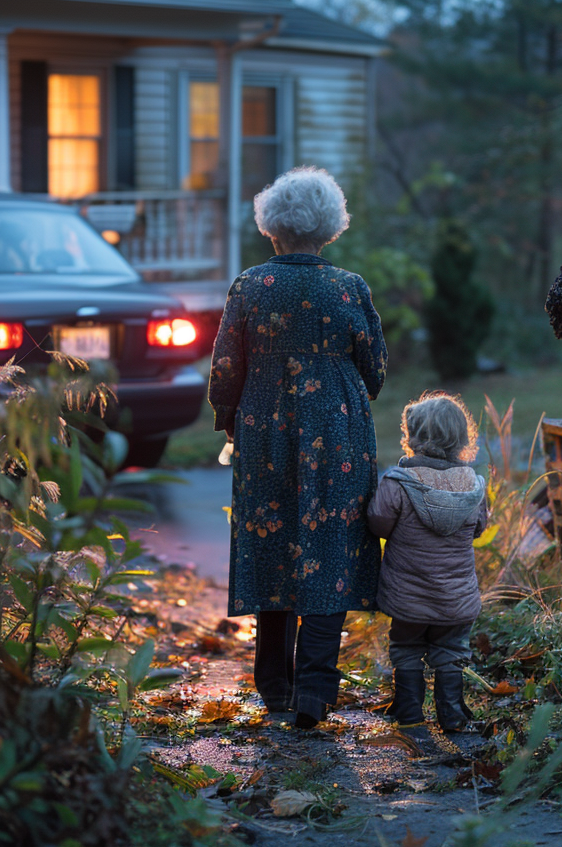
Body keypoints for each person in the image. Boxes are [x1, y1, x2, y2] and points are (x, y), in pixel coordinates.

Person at [208, 166, 387, 729]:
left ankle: (275, 686)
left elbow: (225, 370)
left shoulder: (249, 286)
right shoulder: (350, 287)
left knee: (271, 543)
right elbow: (375, 369)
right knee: (331, 546)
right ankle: (316, 690)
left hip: (264, 433)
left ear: (272, 227)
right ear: (330, 227)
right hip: (338, 432)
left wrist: (228, 419)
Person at [367, 392, 488, 733]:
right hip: (455, 598)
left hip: (408, 598)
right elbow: (479, 528)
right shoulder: (473, 486)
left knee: (406, 647)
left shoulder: (398, 484)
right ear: (461, 438)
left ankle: (409, 712)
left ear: (413, 436)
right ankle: (451, 714)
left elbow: (378, 523)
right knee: (451, 650)